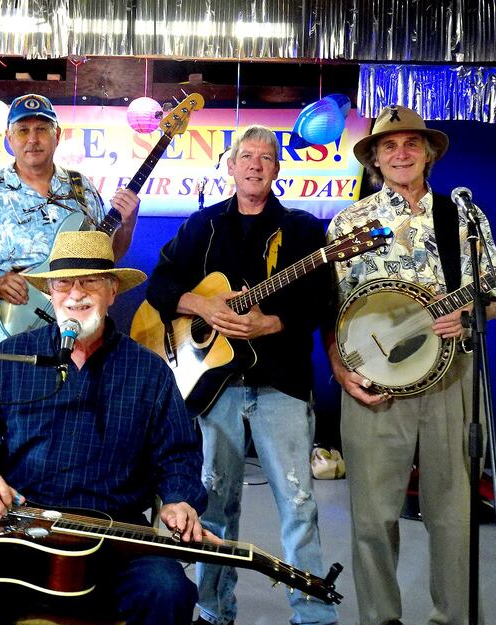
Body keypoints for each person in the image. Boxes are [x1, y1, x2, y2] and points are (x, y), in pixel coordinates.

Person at [0, 230, 209, 625]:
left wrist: (178, 499)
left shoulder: (149, 370)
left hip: (113, 535)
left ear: (112, 291)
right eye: (63, 283)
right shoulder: (12, 356)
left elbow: (178, 454)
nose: (75, 294)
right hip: (15, 529)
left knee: (167, 590)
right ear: (50, 293)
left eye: (90, 282)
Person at [145, 125, 338, 625]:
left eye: (266, 157)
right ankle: (213, 608)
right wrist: (201, 305)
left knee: (298, 504)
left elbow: (322, 300)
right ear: (230, 166)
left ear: (277, 168)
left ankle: (313, 615)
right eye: (246, 156)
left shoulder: (302, 230)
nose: (255, 164)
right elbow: (160, 286)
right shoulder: (203, 225)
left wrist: (272, 321)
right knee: (213, 506)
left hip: (283, 385)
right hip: (215, 389)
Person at [325, 104, 496, 625]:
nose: (401, 153)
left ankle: (453, 618)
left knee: (454, 515)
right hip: (376, 383)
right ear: (375, 160)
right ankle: (380, 619)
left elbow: (493, 299)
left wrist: (469, 316)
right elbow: (331, 312)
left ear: (428, 153)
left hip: (453, 380)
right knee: (373, 518)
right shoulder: (350, 222)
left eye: (411, 144)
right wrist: (342, 369)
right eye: (389, 146)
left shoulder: (464, 217)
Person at [0, 93, 140, 344]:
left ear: (57, 135)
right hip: (19, 330)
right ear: (9, 137)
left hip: (82, 330)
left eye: (42, 129)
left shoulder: (81, 187)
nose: (32, 139)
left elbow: (105, 257)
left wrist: (127, 225)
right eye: (22, 130)